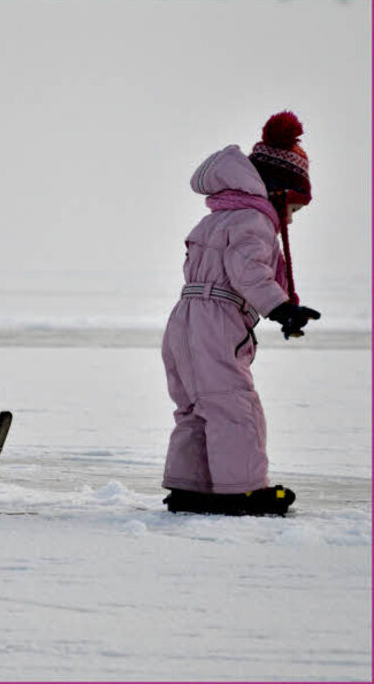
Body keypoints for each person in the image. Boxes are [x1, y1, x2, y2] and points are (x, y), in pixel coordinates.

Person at [161, 111, 321, 516]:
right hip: (216, 320)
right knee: (234, 405)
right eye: (294, 209)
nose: (290, 219)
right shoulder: (253, 220)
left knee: (196, 406)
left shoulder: (219, 217)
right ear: (278, 192)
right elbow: (247, 272)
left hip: (185, 317)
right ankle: (243, 492)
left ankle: (190, 487)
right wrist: (281, 308)